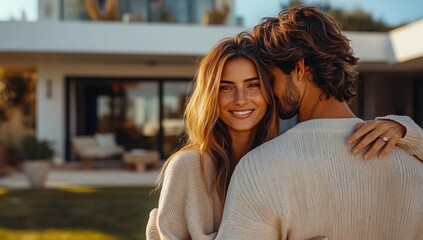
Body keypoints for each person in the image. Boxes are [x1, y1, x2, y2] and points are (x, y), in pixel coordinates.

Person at [215, 6, 423, 239]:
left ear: (299, 69)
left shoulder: (259, 169)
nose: (268, 92)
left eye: (271, 79)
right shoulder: (414, 167)